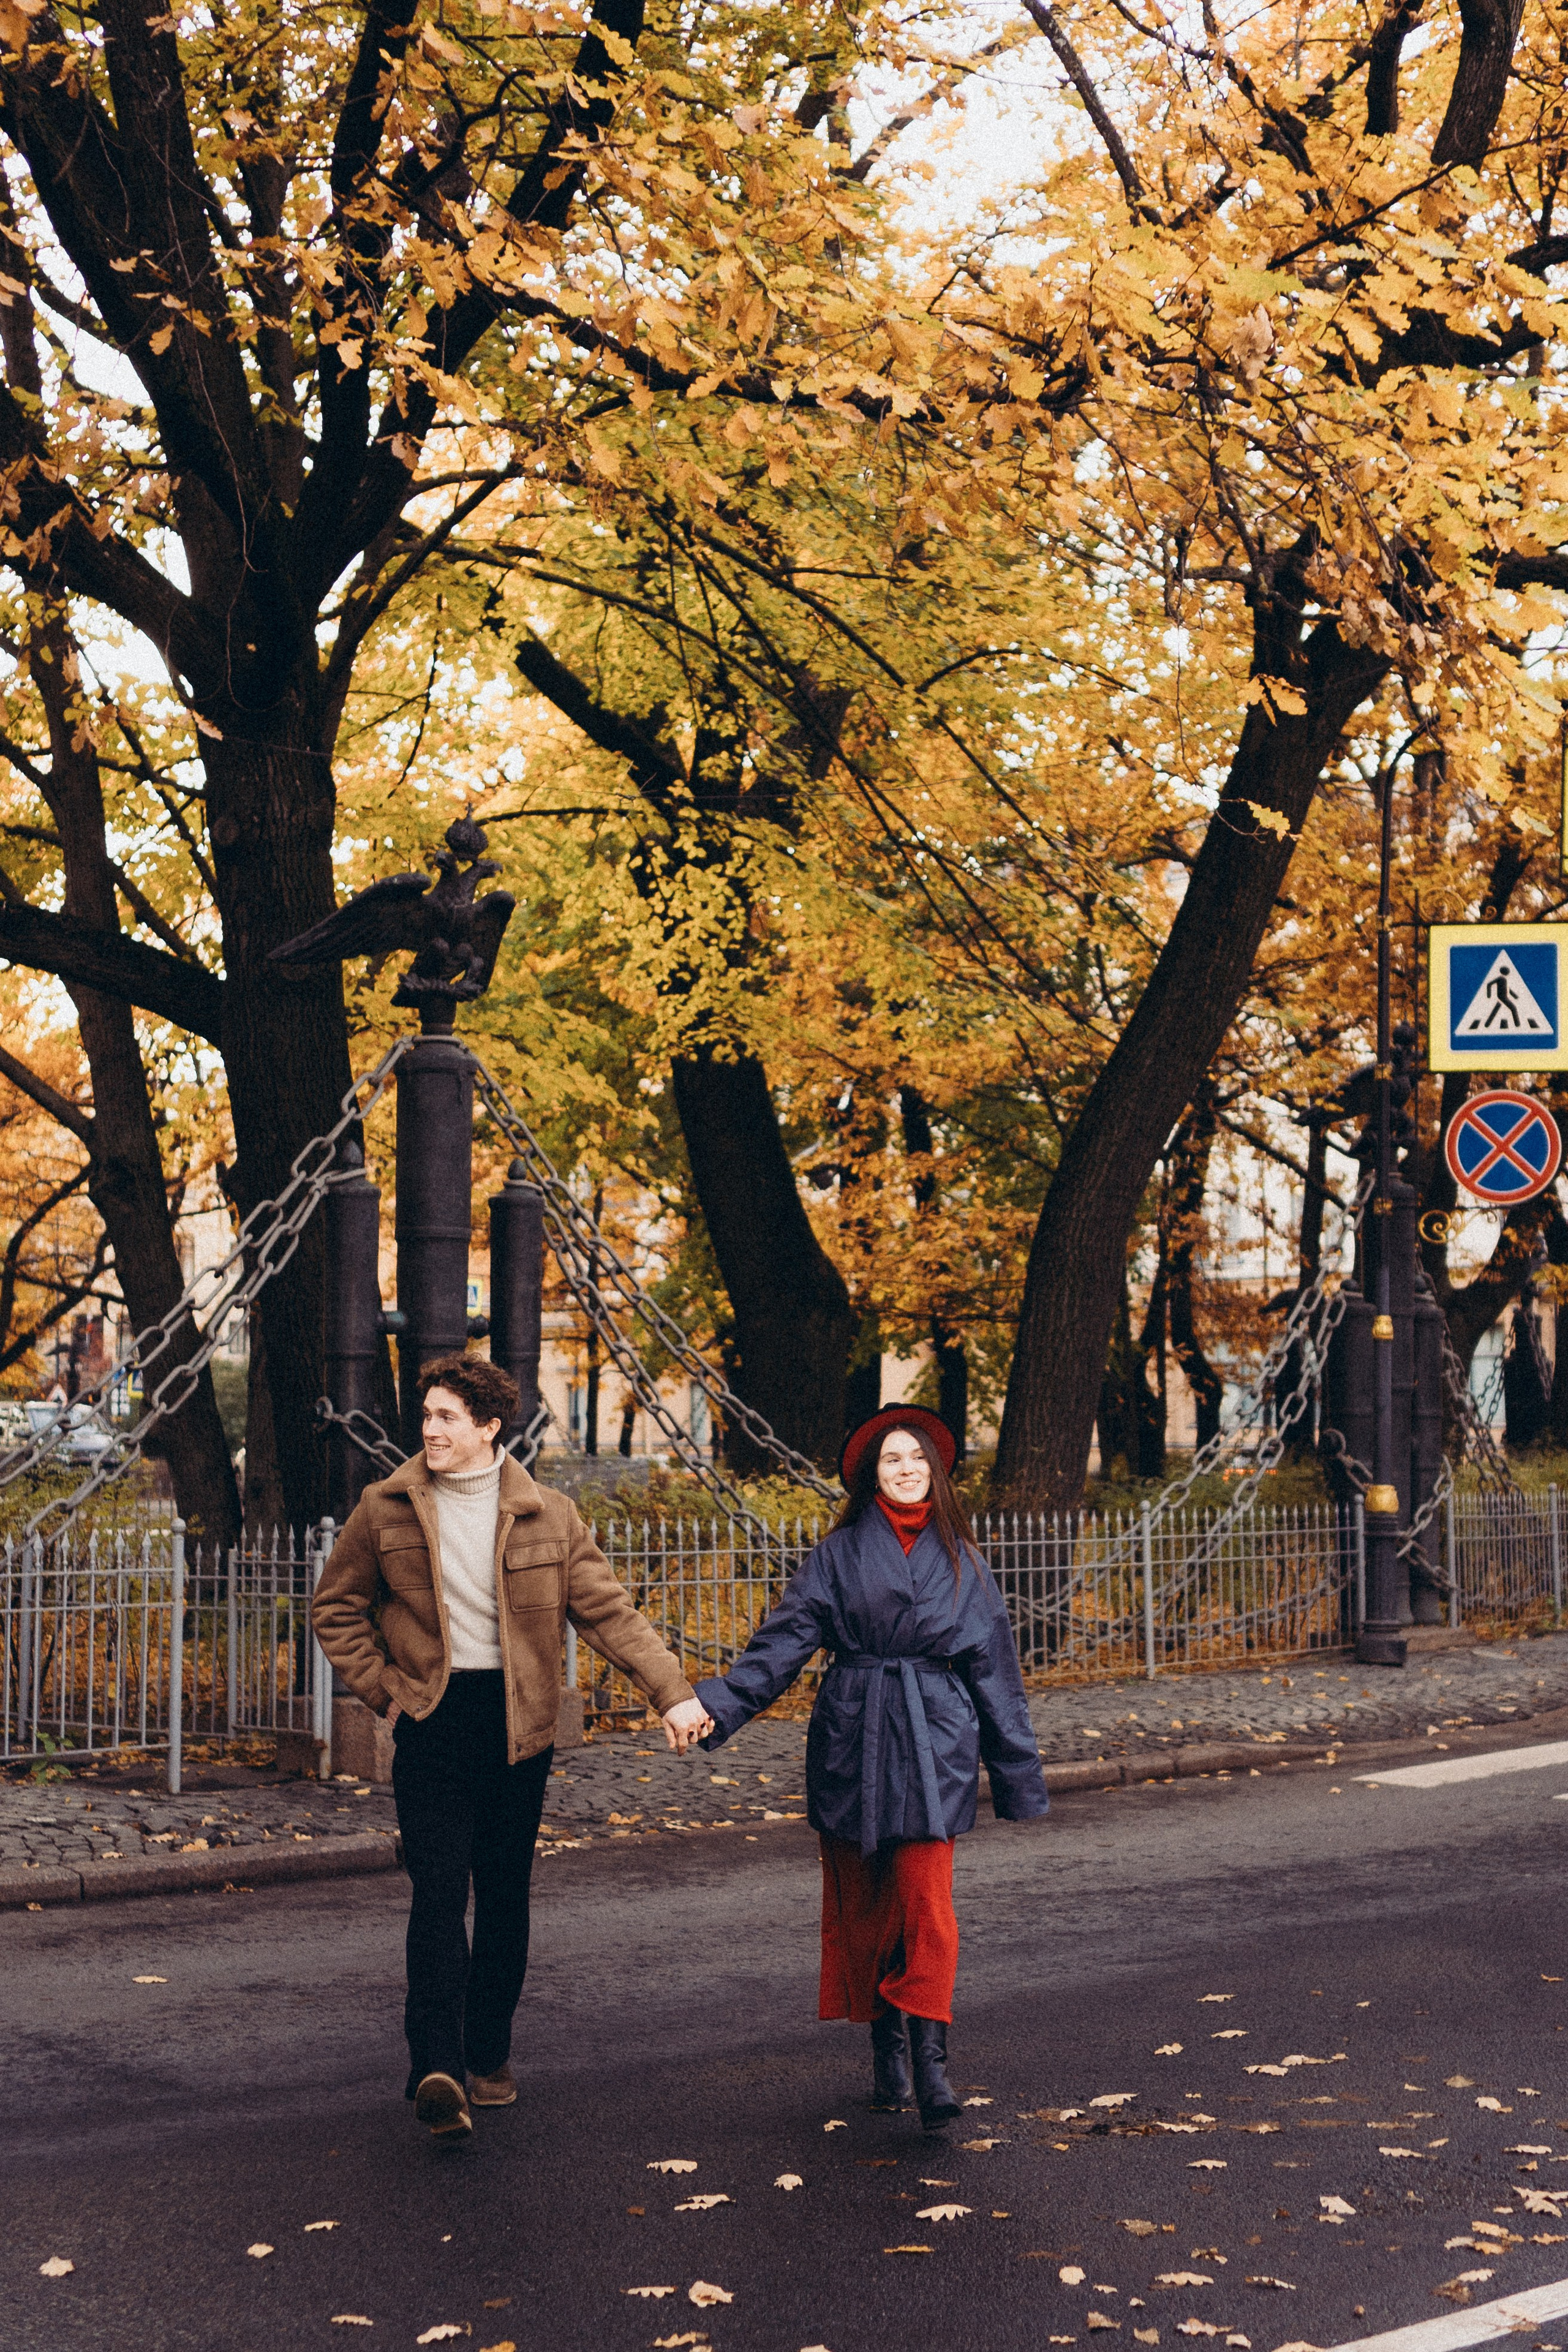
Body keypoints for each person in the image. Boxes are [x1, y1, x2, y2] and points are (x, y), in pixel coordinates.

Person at [312, 1354, 713, 2141]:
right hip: (432, 1717)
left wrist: (672, 1692)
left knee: (502, 1894)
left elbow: (609, 1615)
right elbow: (336, 1607)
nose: (430, 1430)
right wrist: (387, 1692)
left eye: (447, 1418)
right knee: (437, 1892)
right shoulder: (384, 1507)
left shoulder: (548, 1515)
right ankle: (437, 2066)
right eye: (427, 1415)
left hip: (518, 1726)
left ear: (489, 1427)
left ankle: (488, 2053)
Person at [692, 1406, 1048, 2133]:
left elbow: (995, 1673)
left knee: (928, 1908)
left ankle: (932, 2065)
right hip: (854, 1733)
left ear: (936, 1471)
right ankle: (887, 2053)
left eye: (916, 1458)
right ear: (872, 1476)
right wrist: (717, 1707)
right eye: (891, 1460)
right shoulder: (837, 1555)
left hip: (935, 1738)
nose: (906, 1469)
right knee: (866, 1910)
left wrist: (1017, 1773)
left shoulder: (964, 1560)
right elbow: (783, 1643)